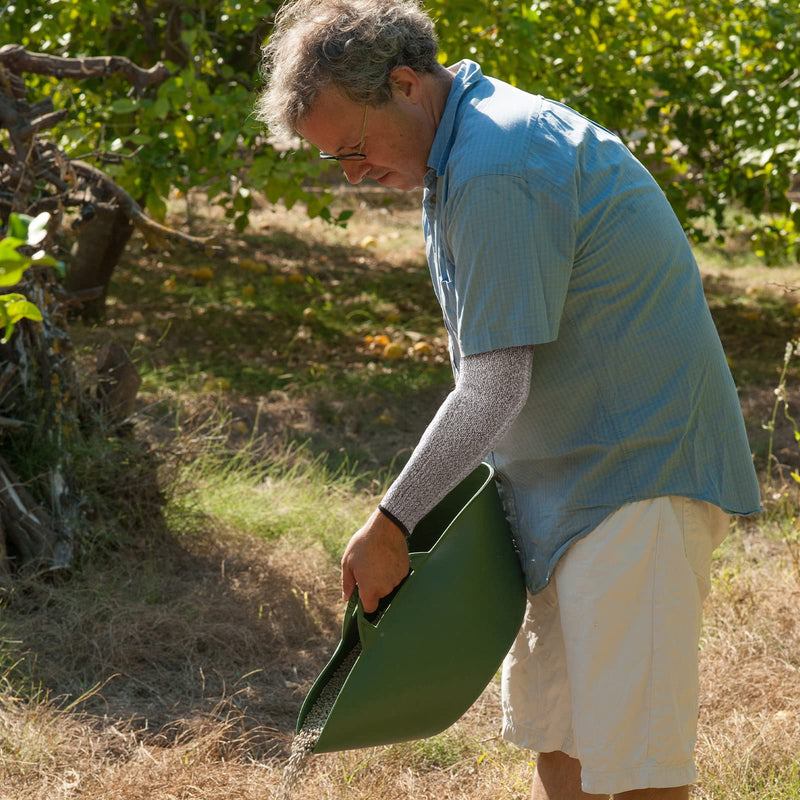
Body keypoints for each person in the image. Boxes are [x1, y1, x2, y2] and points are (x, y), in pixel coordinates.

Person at [256, 2, 762, 798]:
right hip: (564, 487)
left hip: (635, 478)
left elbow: (495, 383)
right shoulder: (456, 152)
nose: (352, 175)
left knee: (635, 769)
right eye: (335, 162)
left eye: (352, 149)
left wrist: (393, 524)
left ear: (404, 83)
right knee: (560, 741)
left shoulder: (497, 162)